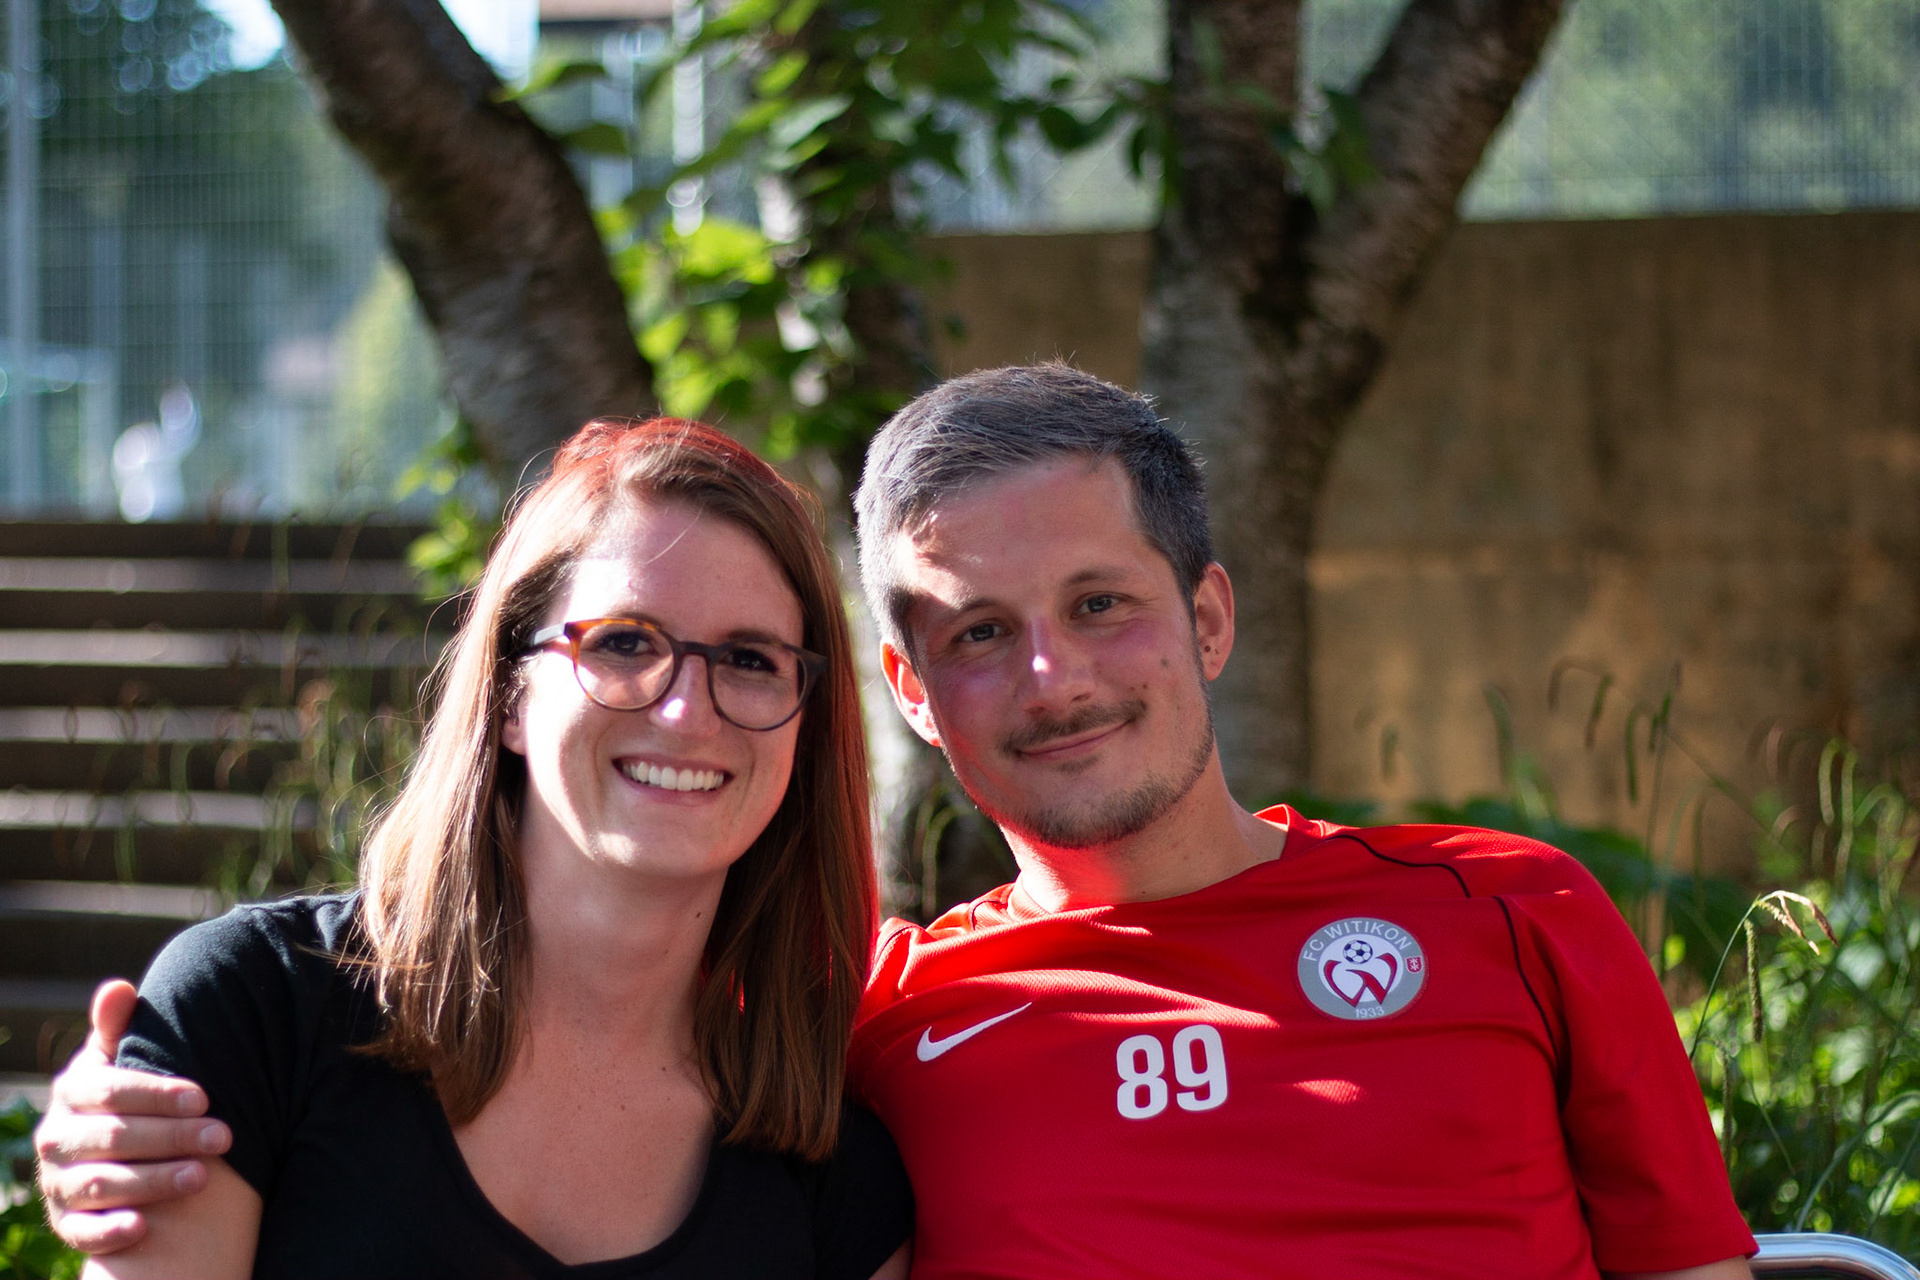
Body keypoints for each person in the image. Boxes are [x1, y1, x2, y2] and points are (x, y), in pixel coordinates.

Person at [41, 366, 1752, 1278]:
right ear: (909, 691)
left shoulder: (1511, 911)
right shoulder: (869, 1027)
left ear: (1211, 618)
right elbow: (543, 1012)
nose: (1053, 676)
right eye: (977, 633)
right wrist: (118, 1122)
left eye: (1103, 606)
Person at [45, 416, 912, 1279]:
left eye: (751, 659)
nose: (686, 711)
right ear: (508, 695)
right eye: (623, 642)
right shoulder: (254, 1009)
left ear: (805, 723)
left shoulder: (839, 1175)